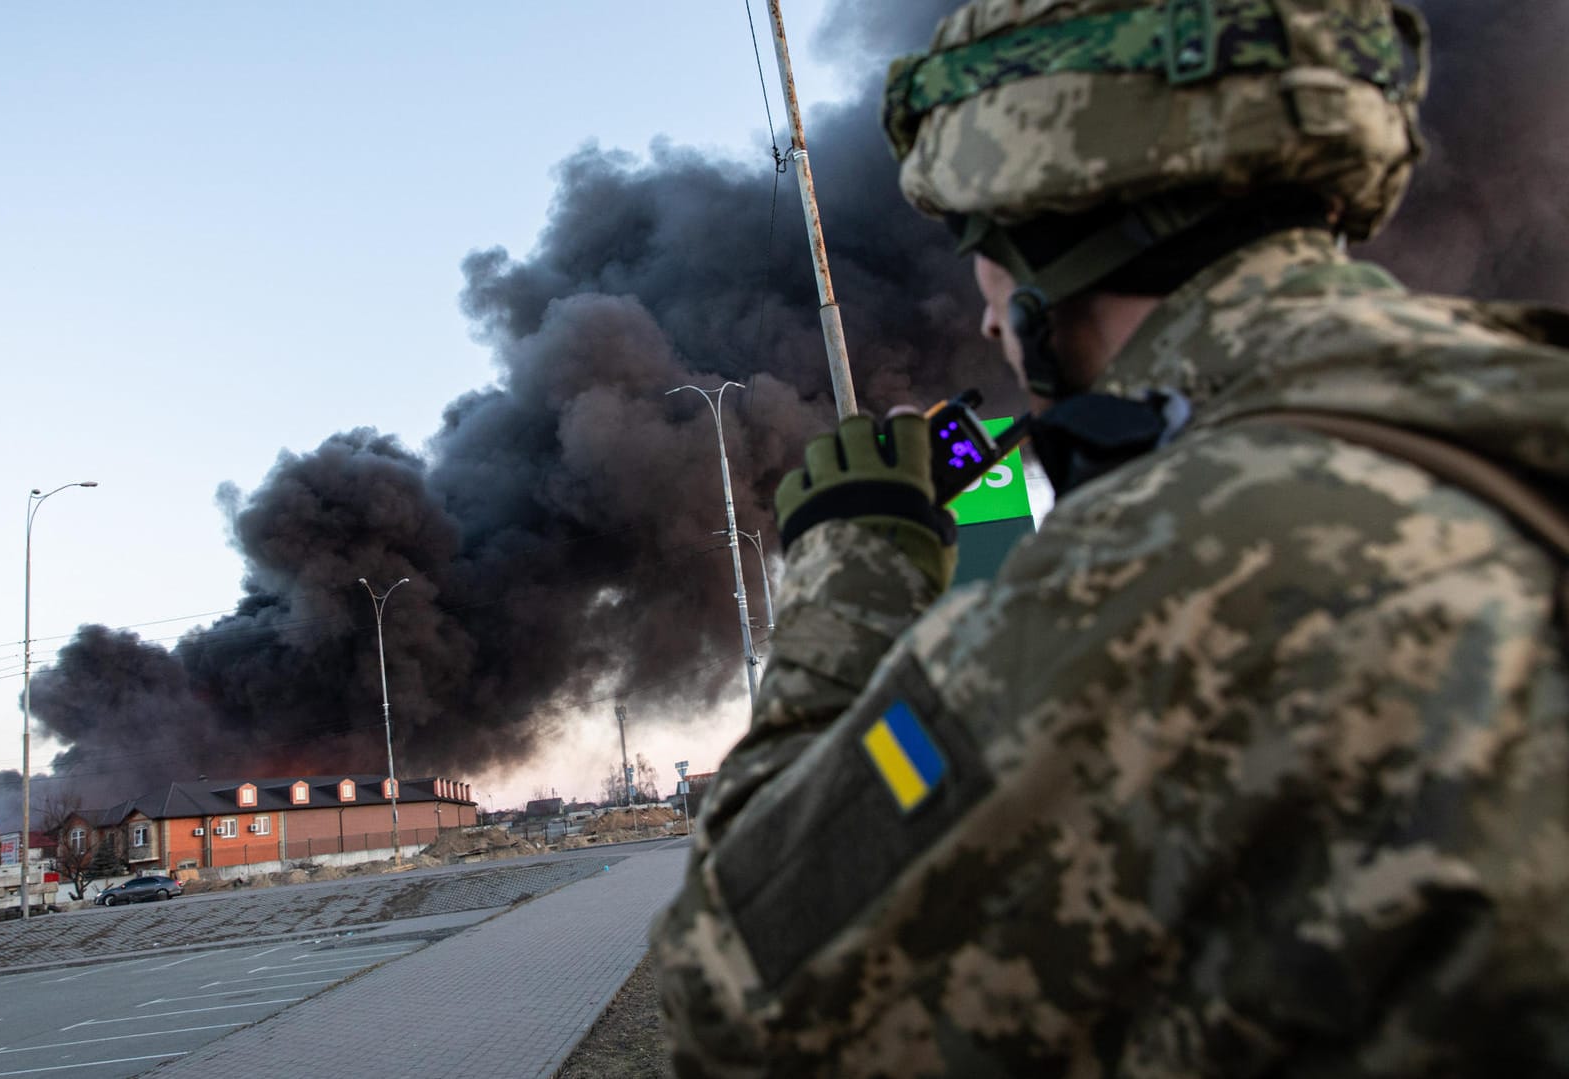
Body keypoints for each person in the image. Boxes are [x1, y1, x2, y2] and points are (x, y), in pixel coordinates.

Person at [650, 1, 1569, 1075]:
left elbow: (740, 998)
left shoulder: (1188, 557)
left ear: (1063, 223)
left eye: (985, 253)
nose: (989, 317)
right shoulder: (1506, 406)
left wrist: (853, 569)